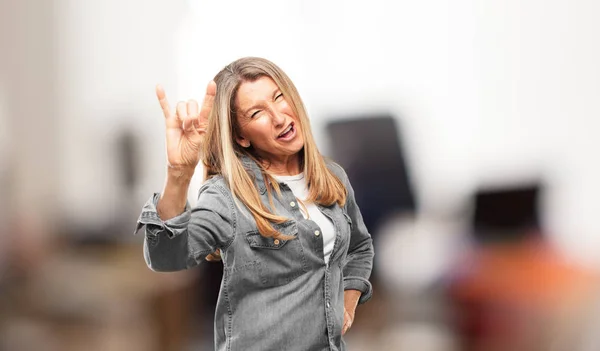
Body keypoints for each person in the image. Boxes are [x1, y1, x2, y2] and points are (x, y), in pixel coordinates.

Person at [135, 57, 374, 351]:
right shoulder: (226, 195)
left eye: (279, 97)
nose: (278, 116)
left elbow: (360, 248)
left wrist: (347, 302)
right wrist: (179, 174)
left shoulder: (331, 177)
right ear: (241, 136)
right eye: (258, 113)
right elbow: (166, 257)